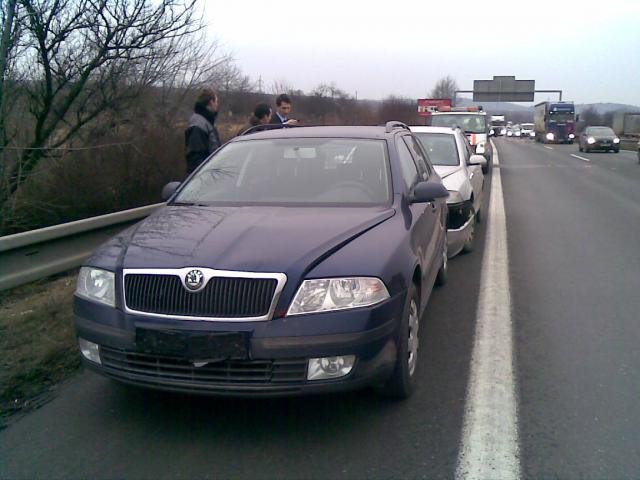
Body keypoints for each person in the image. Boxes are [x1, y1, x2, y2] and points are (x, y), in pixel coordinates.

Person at [185, 89, 221, 175]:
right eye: (216, 101)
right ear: (211, 102)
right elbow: (196, 160)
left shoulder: (207, 121)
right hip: (204, 177)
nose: (217, 105)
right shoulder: (198, 124)